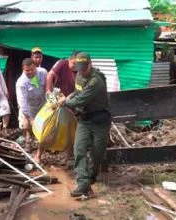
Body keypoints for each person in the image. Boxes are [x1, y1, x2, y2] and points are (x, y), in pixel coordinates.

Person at [58, 52, 111, 198]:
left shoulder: (96, 81)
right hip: (85, 119)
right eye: (79, 68)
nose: (81, 71)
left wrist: (65, 102)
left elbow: (81, 100)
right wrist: (69, 96)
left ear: (90, 64)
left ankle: (91, 177)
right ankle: (82, 183)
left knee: (96, 153)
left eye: (84, 68)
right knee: (79, 149)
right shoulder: (79, 75)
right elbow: (77, 92)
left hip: (100, 120)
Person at [16, 58, 47, 154]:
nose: (29, 72)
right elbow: (22, 103)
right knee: (25, 125)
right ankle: (28, 141)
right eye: (27, 70)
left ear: (36, 67)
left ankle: (43, 144)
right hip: (29, 107)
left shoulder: (43, 72)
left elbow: (49, 85)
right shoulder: (21, 83)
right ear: (23, 69)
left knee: (45, 125)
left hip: (43, 104)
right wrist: (30, 119)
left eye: (32, 69)